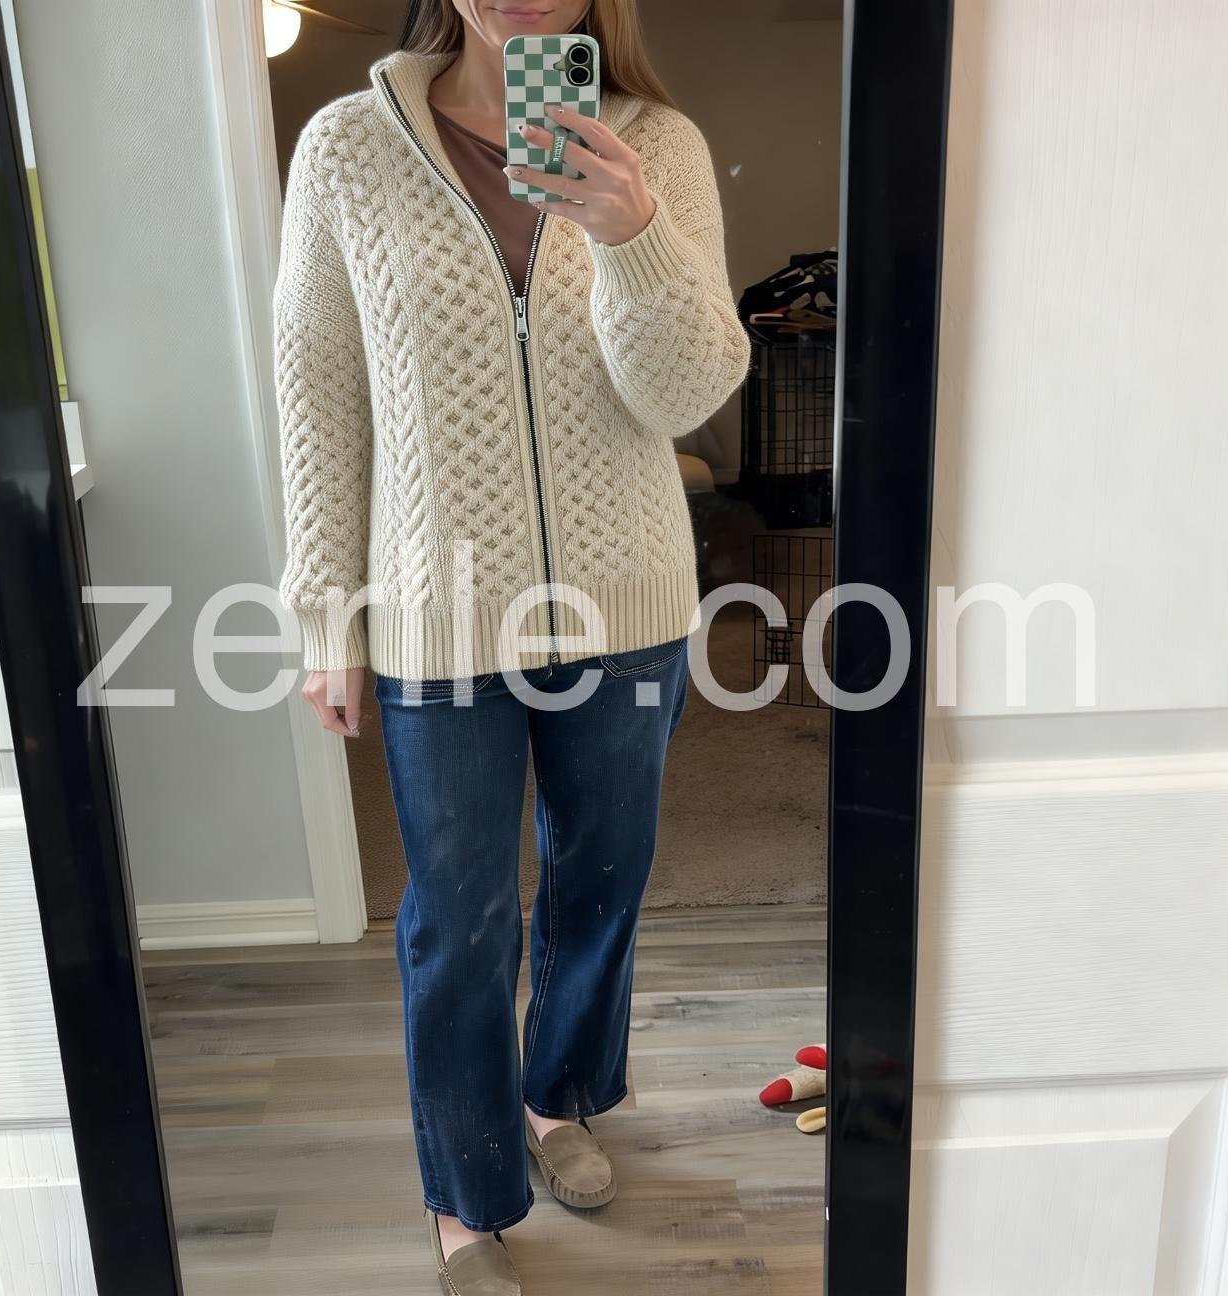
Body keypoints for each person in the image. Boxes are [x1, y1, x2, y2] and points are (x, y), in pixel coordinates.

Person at [272, 1, 750, 1290]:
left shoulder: (658, 147)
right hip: (437, 609)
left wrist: (631, 231)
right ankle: (468, 1201)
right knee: (458, 916)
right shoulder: (346, 148)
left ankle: (560, 1097)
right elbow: (318, 389)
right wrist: (328, 615)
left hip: (626, 605)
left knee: (603, 876)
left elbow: (688, 394)